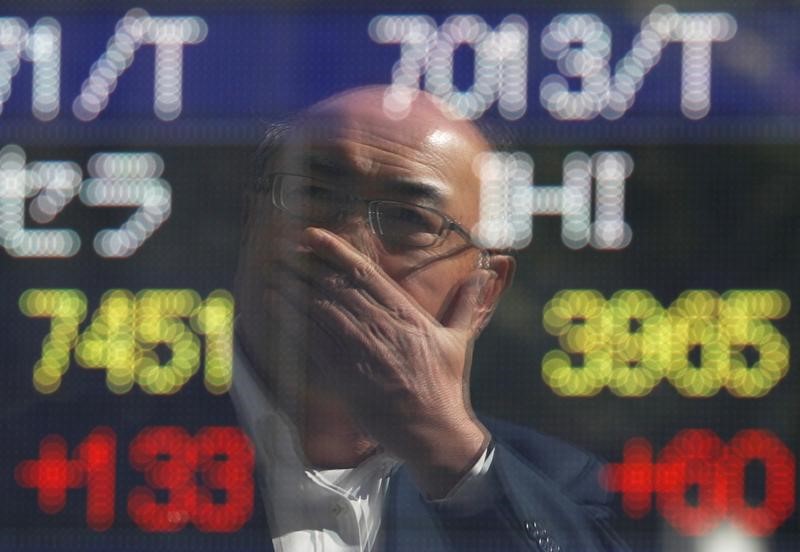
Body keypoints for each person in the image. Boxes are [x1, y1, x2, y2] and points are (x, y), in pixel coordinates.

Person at [231, 85, 629, 552]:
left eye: (408, 218)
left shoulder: (561, 484)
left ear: (483, 291)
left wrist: (451, 455)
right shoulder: (132, 450)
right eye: (312, 192)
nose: (345, 243)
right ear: (250, 218)